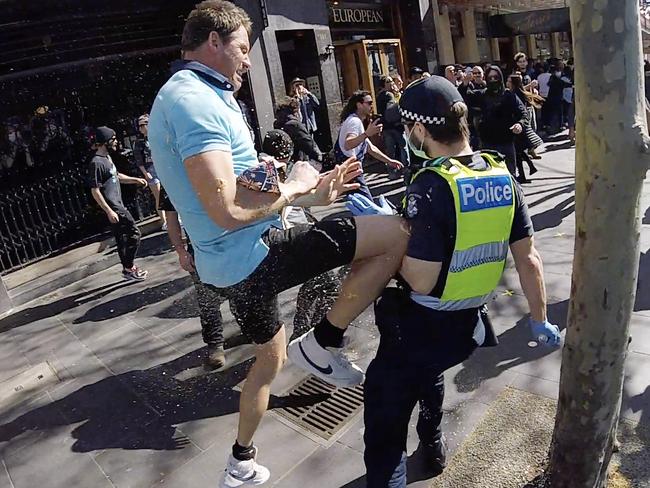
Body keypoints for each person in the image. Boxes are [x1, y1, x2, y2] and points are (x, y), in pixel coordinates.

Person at [147, 2, 409, 486]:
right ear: (214, 42)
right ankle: (325, 341)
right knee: (396, 234)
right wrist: (294, 189)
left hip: (226, 267)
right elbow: (228, 210)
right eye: (244, 49)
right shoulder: (192, 101)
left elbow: (244, 188)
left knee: (271, 358)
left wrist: (315, 187)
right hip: (253, 255)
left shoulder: (199, 93)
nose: (248, 60)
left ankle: (240, 460)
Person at [357, 75, 561, 487]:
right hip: (467, 326)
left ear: (418, 130)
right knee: (430, 376)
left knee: (385, 408)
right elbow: (530, 259)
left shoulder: (431, 186)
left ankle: (388, 476)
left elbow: (421, 278)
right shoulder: (502, 176)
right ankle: (432, 445)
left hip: (418, 325)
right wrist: (539, 320)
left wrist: (387, 228)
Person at [159, 185, 235, 368]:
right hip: (200, 250)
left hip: (233, 239)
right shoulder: (169, 175)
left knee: (241, 289)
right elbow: (171, 218)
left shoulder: (215, 160)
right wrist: (180, 251)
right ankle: (215, 344)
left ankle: (249, 327)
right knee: (208, 299)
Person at [88, 126, 148, 281]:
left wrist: (135, 180)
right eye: (113, 139)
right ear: (104, 142)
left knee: (122, 238)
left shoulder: (108, 158)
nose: (116, 142)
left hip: (117, 204)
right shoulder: (96, 163)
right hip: (114, 207)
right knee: (135, 234)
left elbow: (116, 175)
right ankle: (130, 267)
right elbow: (95, 190)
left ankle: (127, 270)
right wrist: (109, 210)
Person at [334, 90, 403, 198]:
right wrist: (367, 133)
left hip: (352, 170)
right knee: (367, 204)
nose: (372, 106)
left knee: (361, 204)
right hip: (352, 170)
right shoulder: (354, 122)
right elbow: (348, 144)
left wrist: (389, 161)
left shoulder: (354, 120)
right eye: (369, 103)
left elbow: (370, 148)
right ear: (359, 105)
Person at [465, 65, 528, 175]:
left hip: (506, 142)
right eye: (490, 78)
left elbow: (523, 114)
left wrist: (519, 124)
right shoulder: (482, 95)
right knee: (491, 177)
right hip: (487, 144)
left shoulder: (509, 96)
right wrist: (465, 83)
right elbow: (465, 97)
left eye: (496, 77)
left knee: (510, 176)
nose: (493, 80)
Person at [507, 73, 544, 183]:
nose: (507, 83)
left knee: (517, 152)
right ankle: (530, 168)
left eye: (509, 81)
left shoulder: (515, 94)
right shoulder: (519, 92)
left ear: (513, 83)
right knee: (519, 151)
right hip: (520, 126)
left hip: (518, 125)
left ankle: (523, 174)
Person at [133, 114, 167, 230]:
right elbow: (139, 159)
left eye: (143, 125)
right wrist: (145, 172)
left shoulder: (156, 137)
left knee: (168, 192)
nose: (141, 128)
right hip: (150, 169)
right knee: (158, 196)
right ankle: (164, 221)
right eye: (140, 126)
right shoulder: (139, 142)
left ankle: (174, 217)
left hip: (161, 166)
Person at [273, 97, 322, 164]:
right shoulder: (294, 124)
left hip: (288, 162)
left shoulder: (279, 123)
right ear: (296, 111)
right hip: (300, 162)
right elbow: (309, 144)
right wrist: (320, 158)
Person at [376, 76, 406, 175]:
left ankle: (392, 172)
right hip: (395, 126)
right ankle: (405, 171)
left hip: (385, 127)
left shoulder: (379, 96)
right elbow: (391, 110)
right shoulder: (389, 95)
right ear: (384, 84)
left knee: (390, 151)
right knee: (403, 148)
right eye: (389, 81)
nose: (392, 83)